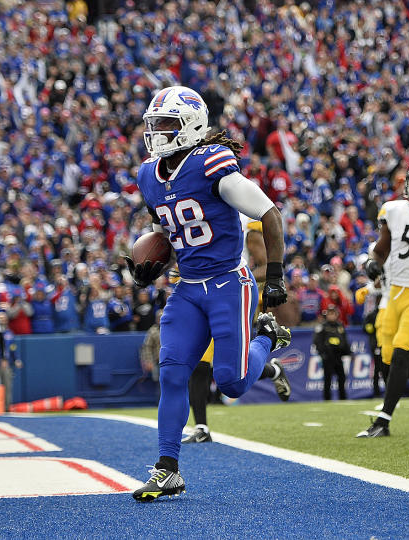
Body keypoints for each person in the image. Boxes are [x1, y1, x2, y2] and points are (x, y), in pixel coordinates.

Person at [126, 86, 291, 502]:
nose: (157, 132)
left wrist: (275, 276)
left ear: (191, 126)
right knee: (172, 372)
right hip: (187, 287)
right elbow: (165, 226)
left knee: (230, 383)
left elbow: (269, 212)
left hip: (227, 283)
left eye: (167, 124)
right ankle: (168, 470)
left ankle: (267, 339)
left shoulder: (212, 162)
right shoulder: (149, 174)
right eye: (155, 124)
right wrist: (153, 259)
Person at [183, 213, 289, 445]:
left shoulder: (242, 221)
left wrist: (236, 276)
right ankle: (201, 426)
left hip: (230, 296)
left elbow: (264, 263)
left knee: (229, 373)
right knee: (200, 364)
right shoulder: (193, 210)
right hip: (202, 294)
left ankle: (271, 369)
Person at [356, 161, 409, 437]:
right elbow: (382, 248)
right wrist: (373, 262)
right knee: (389, 359)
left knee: (403, 353)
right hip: (394, 294)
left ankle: (384, 420)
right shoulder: (393, 210)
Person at [314, 305, 350, 401]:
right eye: (329, 313)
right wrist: (322, 353)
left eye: (333, 313)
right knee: (327, 379)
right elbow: (317, 341)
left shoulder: (340, 326)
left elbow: (344, 340)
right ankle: (327, 399)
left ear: (336, 314)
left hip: (338, 356)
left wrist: (348, 352)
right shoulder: (323, 326)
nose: (331, 316)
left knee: (342, 377)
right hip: (328, 356)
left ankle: (343, 398)